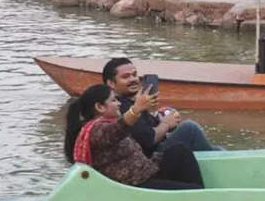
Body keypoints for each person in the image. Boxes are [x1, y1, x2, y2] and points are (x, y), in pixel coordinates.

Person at [63, 84, 204, 190]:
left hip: (146, 173)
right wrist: (136, 109)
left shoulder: (103, 125)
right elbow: (119, 128)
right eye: (113, 101)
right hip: (136, 186)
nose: (119, 104)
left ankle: (197, 197)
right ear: (100, 107)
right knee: (194, 190)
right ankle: (199, 199)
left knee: (179, 151)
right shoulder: (97, 130)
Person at [102, 58, 223, 157]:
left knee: (218, 149)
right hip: (149, 158)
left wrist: (156, 115)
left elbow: (147, 129)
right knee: (190, 128)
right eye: (126, 77)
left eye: (134, 75)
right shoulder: (119, 107)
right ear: (111, 83)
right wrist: (165, 124)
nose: (133, 79)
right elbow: (148, 140)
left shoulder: (133, 102)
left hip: (156, 148)